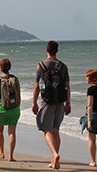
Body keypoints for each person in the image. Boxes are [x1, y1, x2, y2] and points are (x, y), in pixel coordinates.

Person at [32, 40, 71, 170]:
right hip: (60, 101)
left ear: (47, 50)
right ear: (57, 50)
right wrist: (68, 103)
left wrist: (34, 103)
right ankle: (55, 162)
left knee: (47, 130)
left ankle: (54, 154)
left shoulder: (41, 66)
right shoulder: (63, 66)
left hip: (47, 101)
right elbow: (67, 86)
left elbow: (37, 86)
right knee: (56, 130)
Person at [0, 58, 21, 162]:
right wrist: (17, 107)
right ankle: (11, 156)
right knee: (12, 132)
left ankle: (1, 153)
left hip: (2, 109)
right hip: (15, 109)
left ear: (1, 68)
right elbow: (19, 95)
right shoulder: (15, 79)